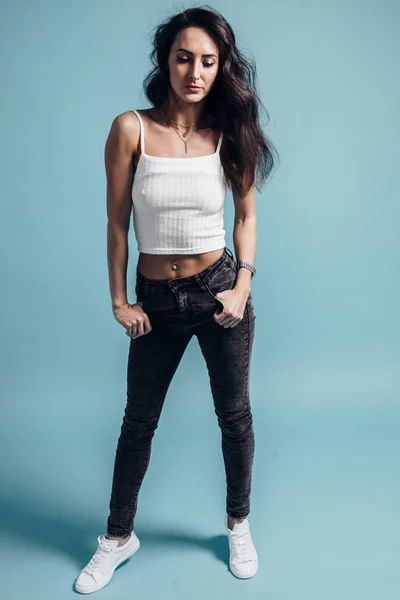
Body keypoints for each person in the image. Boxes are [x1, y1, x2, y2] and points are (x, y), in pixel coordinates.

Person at [75, 6, 277, 594]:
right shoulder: (130, 128)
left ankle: (238, 523)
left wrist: (242, 284)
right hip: (156, 300)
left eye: (209, 61)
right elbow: (116, 224)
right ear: (165, 60)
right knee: (138, 422)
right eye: (184, 57)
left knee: (234, 417)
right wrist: (119, 300)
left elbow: (247, 217)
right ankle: (117, 537)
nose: (195, 71)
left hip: (220, 294)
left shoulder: (229, 132)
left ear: (222, 67)